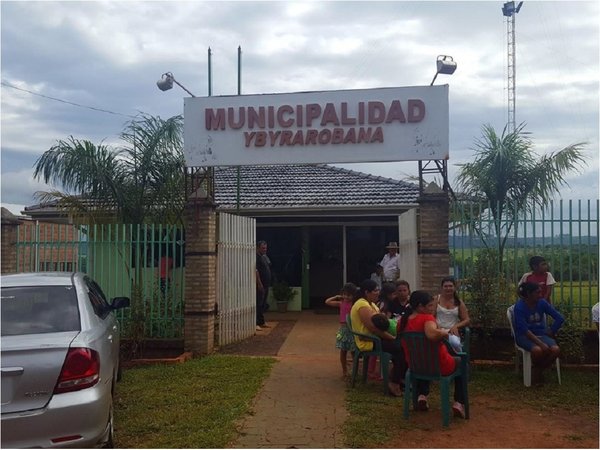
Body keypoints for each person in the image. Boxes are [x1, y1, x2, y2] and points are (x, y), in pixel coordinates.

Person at [398, 290, 467, 418]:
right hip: (439, 366)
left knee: (425, 359)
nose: (432, 309)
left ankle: (421, 395)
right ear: (420, 306)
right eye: (430, 306)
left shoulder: (403, 320)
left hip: (415, 366)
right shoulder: (427, 318)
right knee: (462, 362)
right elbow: (431, 334)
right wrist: (443, 332)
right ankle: (459, 402)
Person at [349, 279, 406, 397]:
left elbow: (382, 322)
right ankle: (394, 382)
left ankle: (398, 377)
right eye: (375, 290)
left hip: (377, 338)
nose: (378, 293)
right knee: (400, 348)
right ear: (366, 292)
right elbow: (373, 328)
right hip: (369, 340)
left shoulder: (372, 304)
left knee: (403, 346)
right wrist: (391, 338)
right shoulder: (361, 304)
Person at [513, 282, 565, 384]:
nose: (541, 295)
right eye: (538, 292)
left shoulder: (542, 303)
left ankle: (537, 370)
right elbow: (524, 330)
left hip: (541, 334)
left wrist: (551, 331)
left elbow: (559, 318)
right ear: (529, 293)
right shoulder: (519, 307)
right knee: (537, 350)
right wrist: (541, 344)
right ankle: (538, 373)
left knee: (556, 350)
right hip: (524, 336)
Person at [324, 283, 358, 379]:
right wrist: (336, 296)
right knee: (343, 351)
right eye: (344, 294)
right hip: (343, 330)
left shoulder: (355, 305)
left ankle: (354, 371)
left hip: (352, 330)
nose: (346, 296)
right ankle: (344, 371)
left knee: (353, 351)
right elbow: (327, 302)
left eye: (349, 295)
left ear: (354, 295)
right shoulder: (341, 303)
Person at [434, 277, 470, 352]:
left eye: (450, 286)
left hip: (452, 332)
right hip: (438, 330)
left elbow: (467, 320)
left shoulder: (459, 302)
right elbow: (430, 316)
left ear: (454, 287)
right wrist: (436, 326)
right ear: (442, 288)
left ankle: (459, 360)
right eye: (446, 286)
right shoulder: (436, 299)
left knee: (455, 343)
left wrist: (456, 326)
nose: (448, 288)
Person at [255, 240, 272, 331]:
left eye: (266, 248)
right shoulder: (256, 257)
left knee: (263, 303)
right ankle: (256, 322)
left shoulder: (264, 257)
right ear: (258, 248)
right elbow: (256, 271)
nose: (265, 249)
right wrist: (259, 283)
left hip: (266, 284)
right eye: (263, 248)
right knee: (258, 303)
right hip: (260, 285)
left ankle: (261, 321)